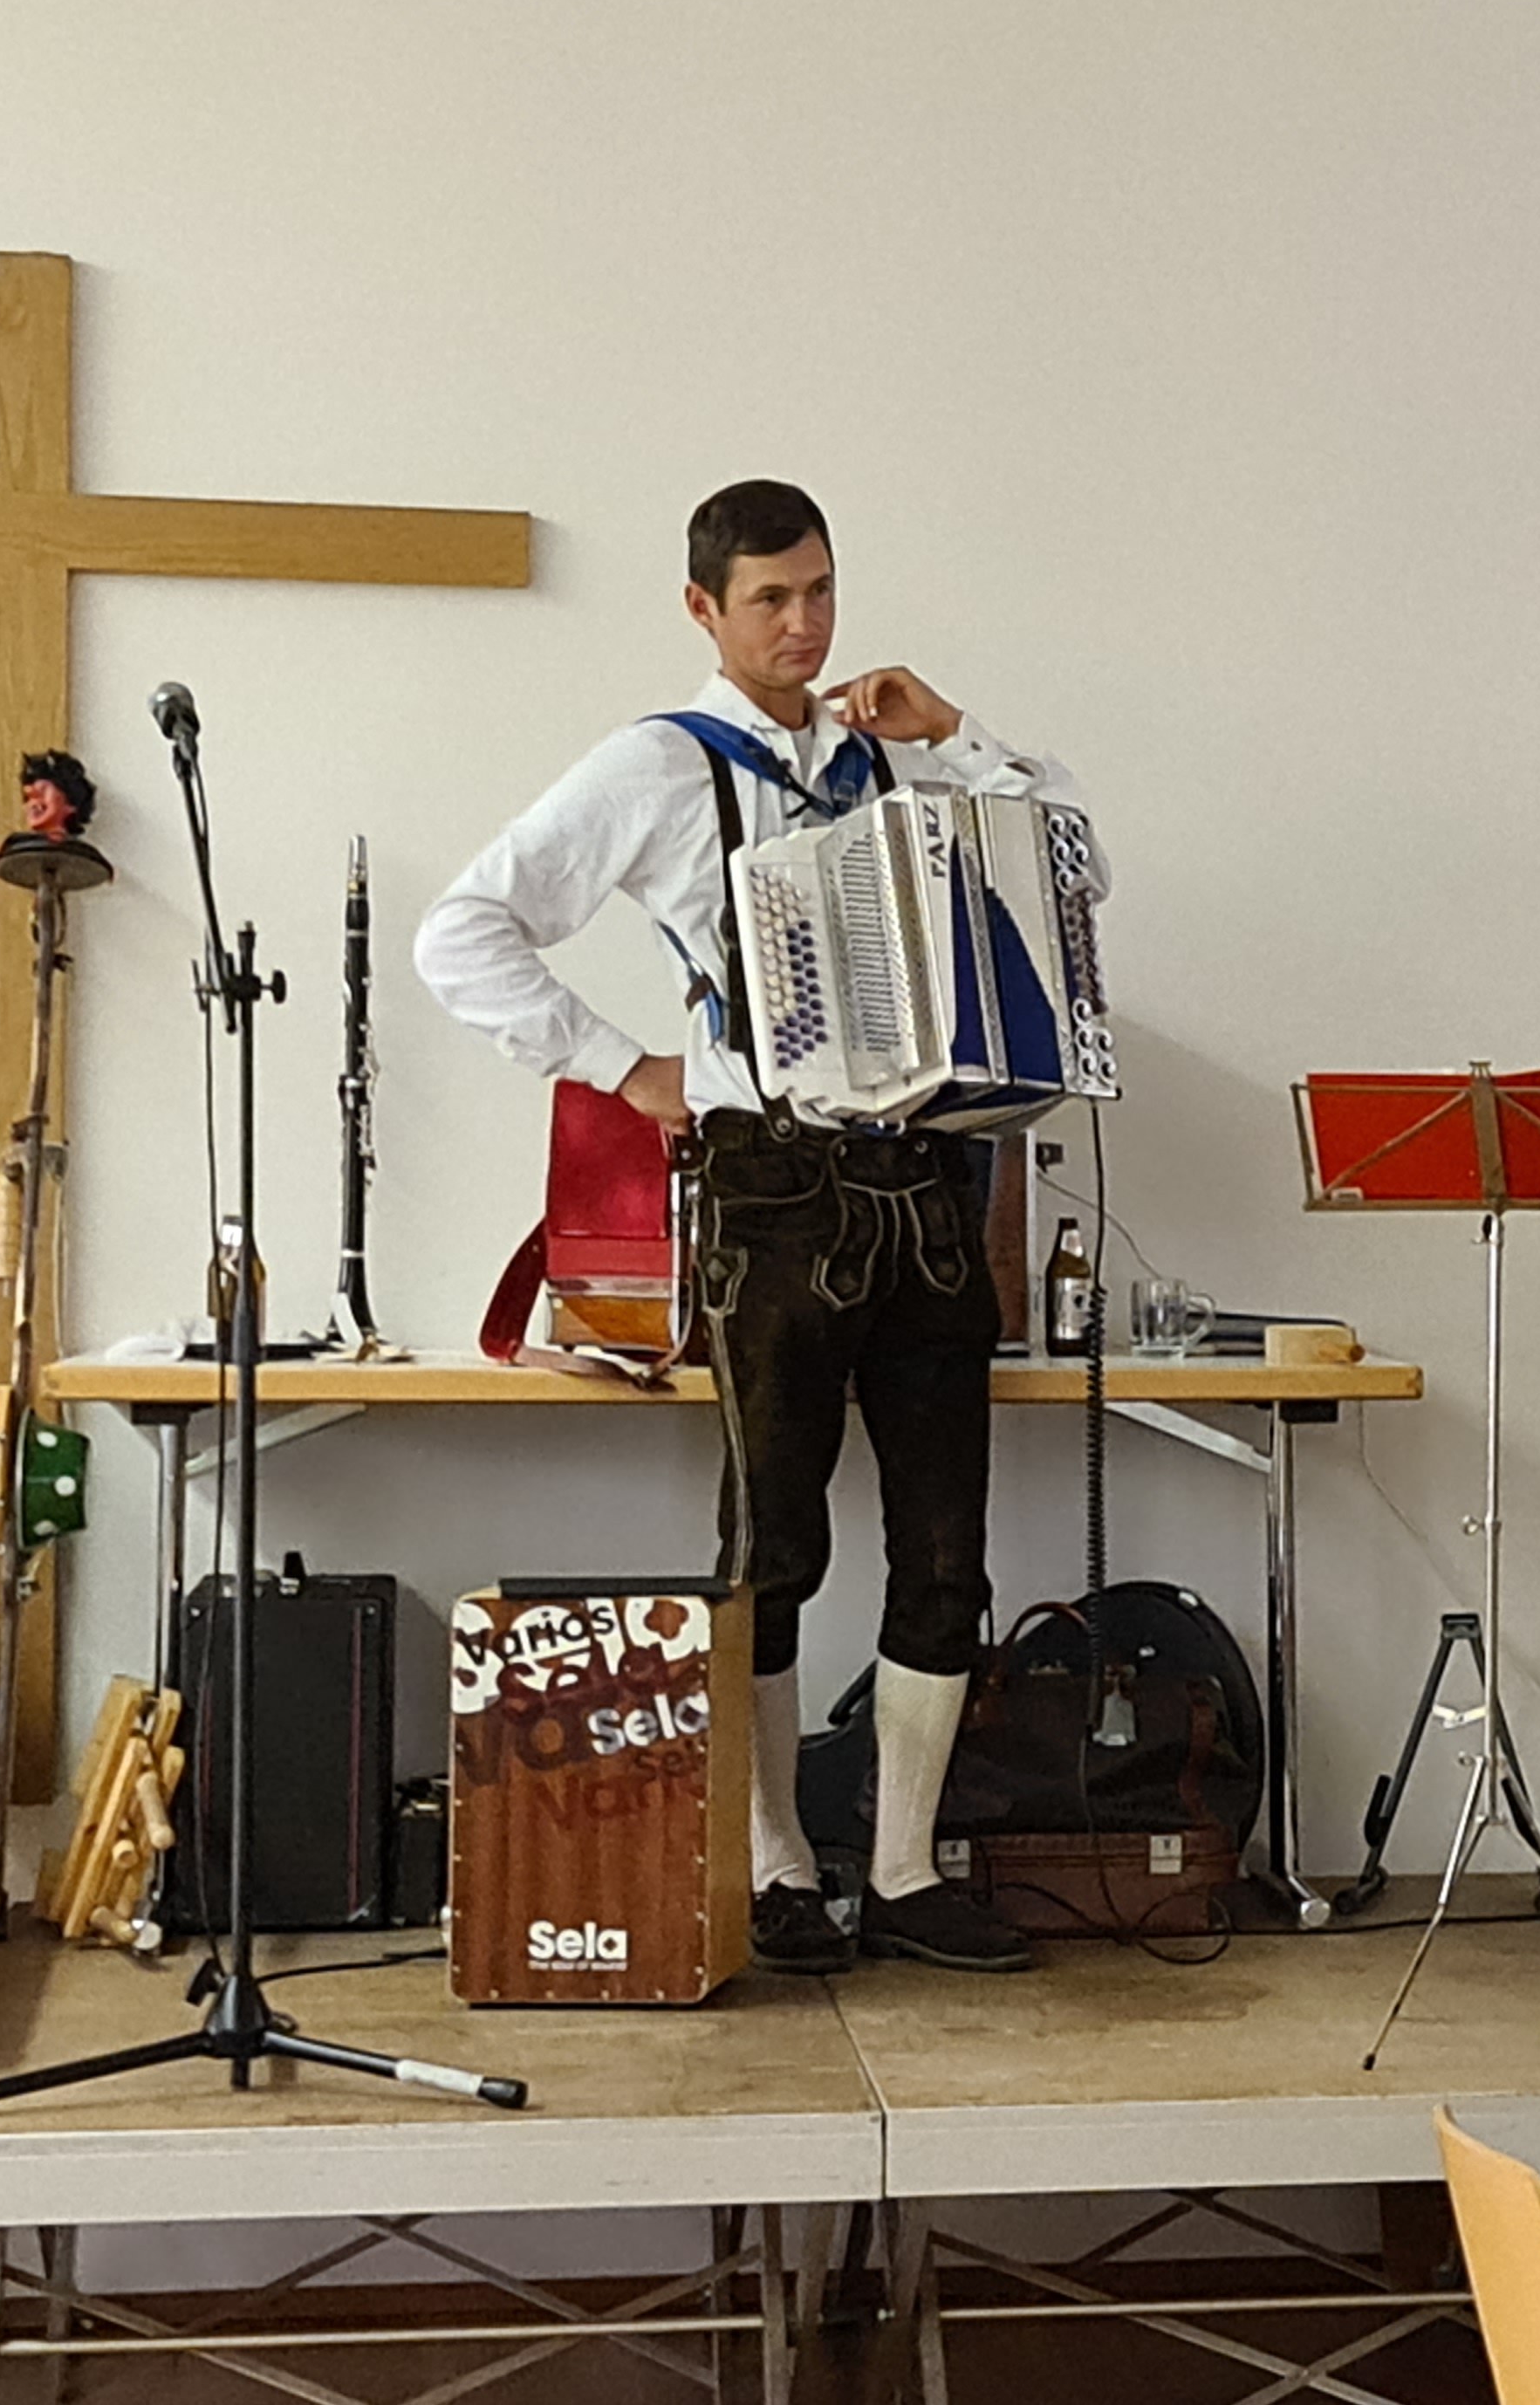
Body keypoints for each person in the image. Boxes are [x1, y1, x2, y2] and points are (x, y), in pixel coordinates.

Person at [418, 478, 1099, 1977]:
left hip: (929, 1186)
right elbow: (459, 930)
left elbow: (1071, 872)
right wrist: (627, 1068)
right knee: (772, 1547)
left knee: (948, 1554)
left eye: (821, 591)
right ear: (704, 608)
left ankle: (907, 1873)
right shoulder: (658, 765)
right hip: (770, 1190)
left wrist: (955, 733)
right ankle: (776, 1866)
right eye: (772, 598)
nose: (805, 625)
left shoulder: (896, 757)